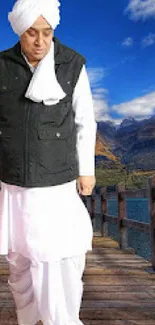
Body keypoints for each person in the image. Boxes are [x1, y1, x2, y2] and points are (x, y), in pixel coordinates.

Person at [0, 0, 96, 324]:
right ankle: (28, 319)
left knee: (58, 259)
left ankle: (62, 320)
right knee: (19, 260)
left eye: (47, 33)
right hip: (13, 185)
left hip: (57, 184)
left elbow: (85, 120)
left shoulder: (72, 65)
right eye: (32, 33)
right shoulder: (1, 66)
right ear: (19, 31)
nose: (41, 42)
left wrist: (87, 170)